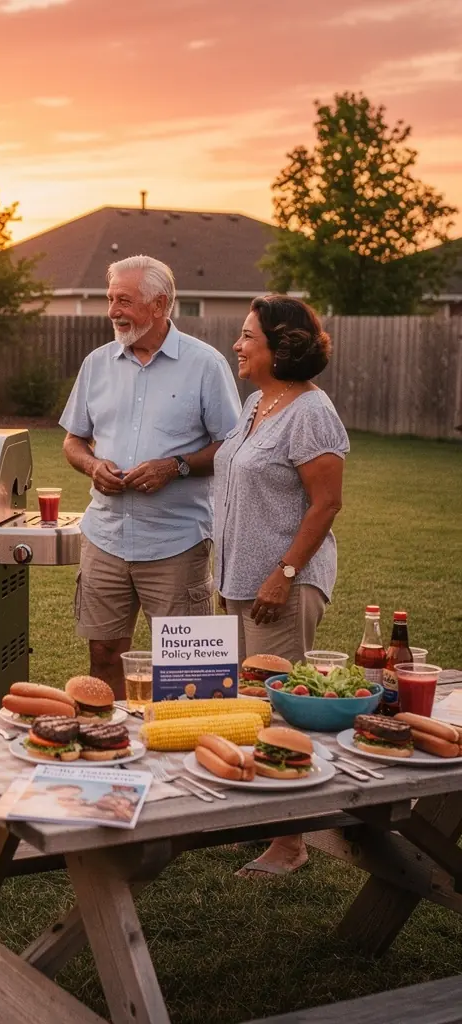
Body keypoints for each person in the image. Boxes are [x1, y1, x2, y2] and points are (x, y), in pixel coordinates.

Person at [59, 255, 241, 698]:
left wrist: (175, 467)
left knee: (185, 668)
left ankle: (176, 757)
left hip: (176, 541)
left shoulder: (206, 364)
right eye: (110, 299)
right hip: (105, 537)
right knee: (102, 654)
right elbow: (73, 442)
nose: (112, 311)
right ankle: (113, 745)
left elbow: (232, 447)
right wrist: (92, 466)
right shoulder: (97, 364)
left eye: (124, 300)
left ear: (159, 304)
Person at [214, 294, 348, 878]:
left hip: (285, 585)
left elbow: (326, 503)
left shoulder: (311, 411)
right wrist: (231, 578)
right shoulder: (257, 403)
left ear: (281, 348)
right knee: (250, 705)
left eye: (248, 337)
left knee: (281, 711)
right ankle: (269, 819)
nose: (237, 346)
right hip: (246, 580)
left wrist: (284, 574)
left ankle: (291, 843)